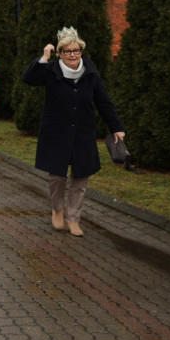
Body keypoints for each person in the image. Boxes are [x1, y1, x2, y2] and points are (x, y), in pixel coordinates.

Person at [22, 27, 124, 237]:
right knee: (57, 176)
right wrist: (43, 57)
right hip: (56, 131)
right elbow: (29, 78)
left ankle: (73, 218)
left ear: (81, 51)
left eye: (76, 50)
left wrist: (116, 127)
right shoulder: (50, 70)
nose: (72, 55)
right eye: (67, 51)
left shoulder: (90, 72)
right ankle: (57, 209)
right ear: (60, 53)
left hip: (82, 132)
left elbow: (103, 101)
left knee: (81, 177)